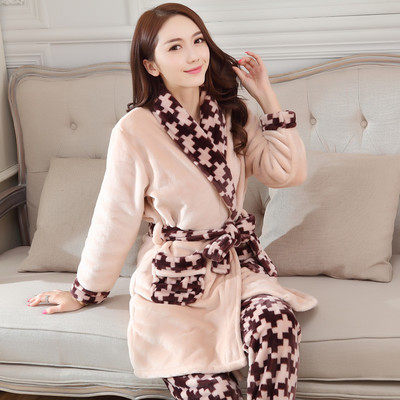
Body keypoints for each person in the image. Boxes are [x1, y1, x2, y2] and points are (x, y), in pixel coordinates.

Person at [27, 3, 318, 399]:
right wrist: (84, 293)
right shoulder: (134, 130)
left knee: (277, 322)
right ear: (151, 65)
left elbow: (287, 173)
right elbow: (115, 218)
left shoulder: (231, 113)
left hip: (234, 269)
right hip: (176, 280)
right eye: (175, 47)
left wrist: (266, 96)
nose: (193, 55)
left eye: (198, 41)